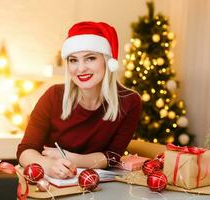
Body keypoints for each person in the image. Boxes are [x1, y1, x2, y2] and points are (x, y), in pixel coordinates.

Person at [17, 21, 142, 179]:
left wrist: (72, 159)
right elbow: (25, 151)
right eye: (73, 60)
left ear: (107, 60)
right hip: (52, 184)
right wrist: (48, 165)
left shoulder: (129, 101)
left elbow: (112, 156)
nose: (81, 68)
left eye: (90, 58)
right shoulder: (53, 95)